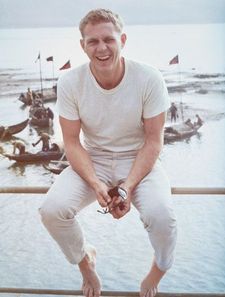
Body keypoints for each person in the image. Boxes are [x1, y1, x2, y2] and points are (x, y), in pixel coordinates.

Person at [39, 9, 177, 297]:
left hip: (139, 159)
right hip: (95, 159)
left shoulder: (149, 78)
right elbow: (72, 142)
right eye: (93, 42)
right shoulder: (70, 82)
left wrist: (126, 188)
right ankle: (85, 260)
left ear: (122, 40)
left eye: (108, 40)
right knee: (52, 210)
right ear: (82, 46)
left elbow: (153, 141)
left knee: (162, 216)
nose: (101, 48)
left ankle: (158, 270)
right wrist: (96, 184)